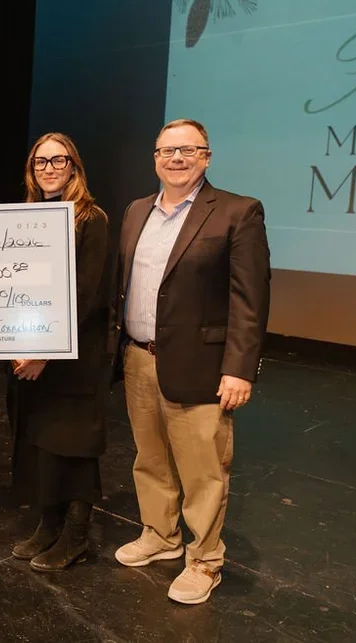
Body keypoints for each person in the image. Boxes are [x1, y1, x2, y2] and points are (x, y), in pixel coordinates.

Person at [110, 118, 271, 604]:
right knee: (150, 459)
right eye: (166, 151)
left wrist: (240, 368)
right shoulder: (137, 210)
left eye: (188, 150)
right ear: (155, 158)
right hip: (139, 358)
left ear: (206, 156)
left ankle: (204, 560)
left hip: (202, 365)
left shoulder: (238, 212)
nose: (176, 159)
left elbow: (251, 298)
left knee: (203, 469)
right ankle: (160, 536)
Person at [8, 133, 109, 571]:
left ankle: (76, 536)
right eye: (40, 162)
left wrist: (46, 352)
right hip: (32, 350)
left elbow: (87, 295)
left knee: (74, 446)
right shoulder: (28, 216)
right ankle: (48, 526)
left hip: (74, 356)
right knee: (41, 443)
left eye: (58, 160)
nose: (48, 168)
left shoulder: (92, 218)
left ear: (74, 166)